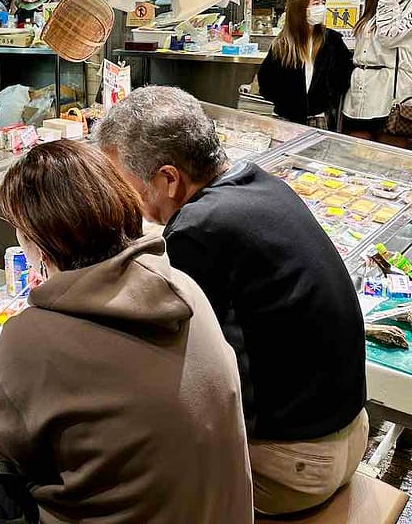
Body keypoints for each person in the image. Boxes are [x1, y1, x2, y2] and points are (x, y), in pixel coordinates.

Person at [95, 86, 367, 516]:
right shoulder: (258, 181)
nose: (117, 194)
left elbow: (178, 366)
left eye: (121, 182)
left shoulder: (198, 229)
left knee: (123, 475)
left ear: (168, 178)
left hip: (296, 464)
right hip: (347, 432)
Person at [0, 141, 252, 523]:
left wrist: (0, 443)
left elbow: (13, 455)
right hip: (226, 512)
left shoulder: (29, 339)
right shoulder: (182, 286)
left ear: (38, 242)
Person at [342, 0, 412, 146]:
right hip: (360, 92)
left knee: (387, 159)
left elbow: (389, 37)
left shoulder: (401, 4)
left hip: (392, 96)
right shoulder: (374, 5)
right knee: (355, 154)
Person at [257, 0, 353, 128]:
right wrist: (284, 101)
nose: (321, 7)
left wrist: (328, 96)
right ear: (300, 8)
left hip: (319, 117)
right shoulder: (283, 44)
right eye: (316, 3)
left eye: (323, 2)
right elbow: (266, 81)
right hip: (285, 118)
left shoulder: (332, 40)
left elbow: (344, 73)